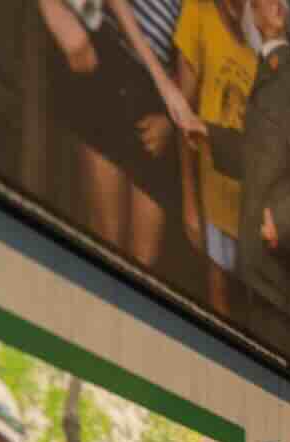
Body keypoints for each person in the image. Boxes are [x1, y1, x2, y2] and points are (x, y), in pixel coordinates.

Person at [199, 0, 290, 368]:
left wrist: (281, 222)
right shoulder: (272, 75)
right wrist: (206, 134)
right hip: (268, 290)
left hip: (280, 300)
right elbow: (258, 154)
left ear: (275, 12)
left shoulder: (285, 85)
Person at [36, 0, 201, 269]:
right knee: (107, 239)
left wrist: (172, 120)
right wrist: (163, 83)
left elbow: (192, 57)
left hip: (156, 104)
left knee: (144, 261)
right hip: (115, 63)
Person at [175, 0, 256, 319]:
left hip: (245, 213)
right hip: (211, 204)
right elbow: (183, 112)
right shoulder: (198, 13)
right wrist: (190, 199)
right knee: (215, 309)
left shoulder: (252, 56)